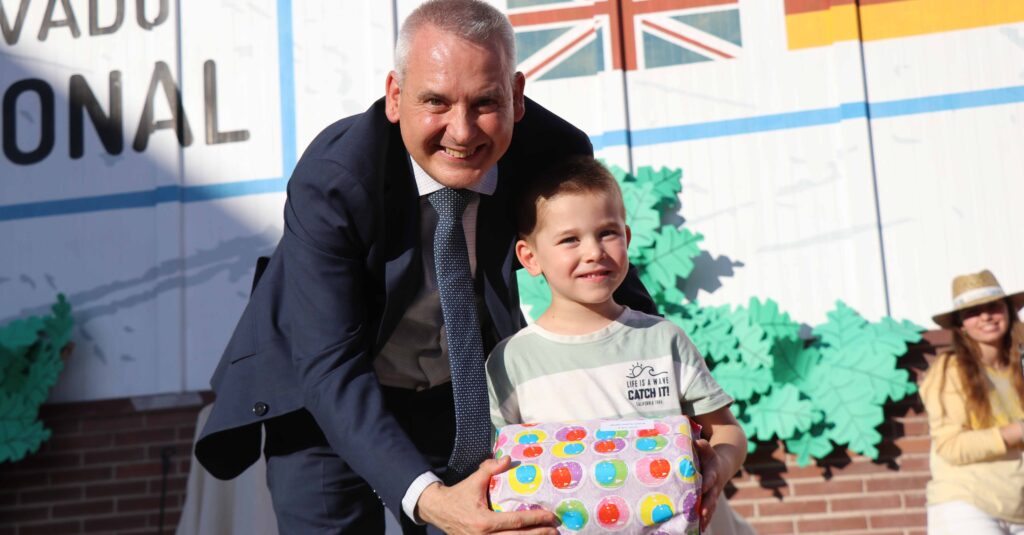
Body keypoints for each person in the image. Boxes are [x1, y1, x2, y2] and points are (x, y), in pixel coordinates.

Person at [193, 1, 660, 534]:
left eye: (486, 102)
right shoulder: (333, 179)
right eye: (435, 102)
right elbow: (330, 366)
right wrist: (431, 499)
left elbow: (607, 279)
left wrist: (674, 408)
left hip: (457, 393)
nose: (461, 132)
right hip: (323, 396)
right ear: (395, 96)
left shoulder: (551, 152)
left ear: (518, 97)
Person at [486, 156, 748, 531]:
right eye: (570, 239)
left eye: (607, 233)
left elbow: (727, 431)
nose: (594, 251)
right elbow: (499, 463)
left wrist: (718, 467)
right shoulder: (511, 361)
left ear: (626, 237)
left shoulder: (663, 339)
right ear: (530, 257)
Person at [922, 269, 1024, 534]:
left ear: (1009, 312)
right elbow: (951, 445)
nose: (986, 316)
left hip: (1017, 507)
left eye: (993, 307)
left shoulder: (1020, 366)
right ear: (960, 325)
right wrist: (1017, 431)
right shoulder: (950, 370)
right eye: (973, 312)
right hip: (967, 505)